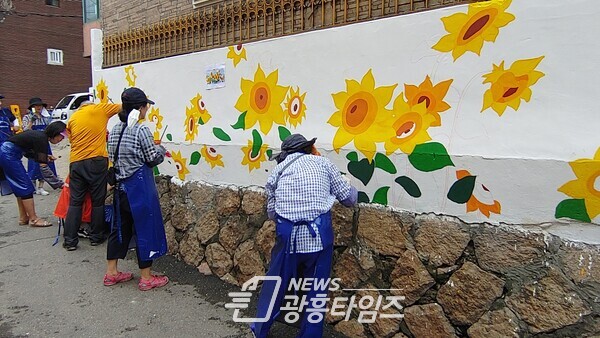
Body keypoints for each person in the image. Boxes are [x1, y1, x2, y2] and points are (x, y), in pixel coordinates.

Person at [251, 134, 358, 338]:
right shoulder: (324, 164)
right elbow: (349, 199)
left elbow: (272, 213)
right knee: (316, 289)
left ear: (287, 153)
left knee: (276, 282)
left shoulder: (278, 171)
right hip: (317, 235)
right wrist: (347, 184)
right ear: (310, 148)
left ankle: (260, 328)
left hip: (287, 235)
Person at [104, 87, 168, 291]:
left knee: (119, 229)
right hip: (139, 188)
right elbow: (152, 159)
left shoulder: (115, 129)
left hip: (121, 189)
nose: (147, 109)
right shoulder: (141, 130)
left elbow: (113, 157)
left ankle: (112, 272)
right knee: (144, 229)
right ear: (140, 108)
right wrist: (161, 149)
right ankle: (146, 277)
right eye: (146, 106)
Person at [62, 97, 121, 250]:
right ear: (91, 105)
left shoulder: (73, 118)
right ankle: (96, 236)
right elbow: (124, 106)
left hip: (76, 162)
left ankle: (70, 241)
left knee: (75, 202)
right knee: (97, 201)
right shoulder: (98, 109)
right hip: (96, 161)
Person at [0, 121, 67, 227]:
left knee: (19, 186)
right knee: (25, 186)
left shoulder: (39, 135)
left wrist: (45, 157)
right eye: (61, 136)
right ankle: (33, 219)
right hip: (9, 155)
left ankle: (23, 217)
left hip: (7, 153)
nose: (61, 139)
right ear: (55, 133)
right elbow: (44, 168)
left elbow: (29, 152)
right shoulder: (42, 139)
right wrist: (59, 184)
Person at [22, 97, 55, 196]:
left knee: (44, 164)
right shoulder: (27, 117)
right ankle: (32, 186)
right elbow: (25, 131)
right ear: (32, 107)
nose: (38, 107)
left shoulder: (46, 117)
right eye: (36, 106)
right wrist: (32, 121)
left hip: (44, 143)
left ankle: (41, 187)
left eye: (40, 105)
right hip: (33, 144)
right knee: (33, 165)